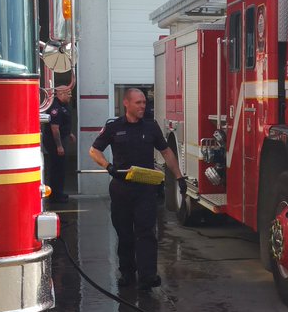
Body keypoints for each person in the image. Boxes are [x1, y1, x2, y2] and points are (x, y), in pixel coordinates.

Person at [88, 88, 183, 290]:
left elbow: (166, 152)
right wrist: (108, 167)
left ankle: (148, 276)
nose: (143, 106)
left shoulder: (151, 126)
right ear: (127, 104)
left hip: (145, 190)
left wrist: (179, 177)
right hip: (121, 189)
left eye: (144, 103)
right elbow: (94, 150)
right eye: (138, 103)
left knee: (146, 232)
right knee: (124, 233)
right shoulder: (114, 127)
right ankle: (127, 273)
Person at [42, 85, 76, 205]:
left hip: (62, 139)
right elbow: (55, 129)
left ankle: (59, 193)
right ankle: (55, 196)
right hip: (55, 142)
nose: (70, 97)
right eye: (68, 94)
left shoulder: (63, 106)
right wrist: (59, 146)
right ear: (61, 94)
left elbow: (63, 124)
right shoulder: (55, 108)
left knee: (61, 169)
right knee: (56, 169)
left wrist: (69, 133)